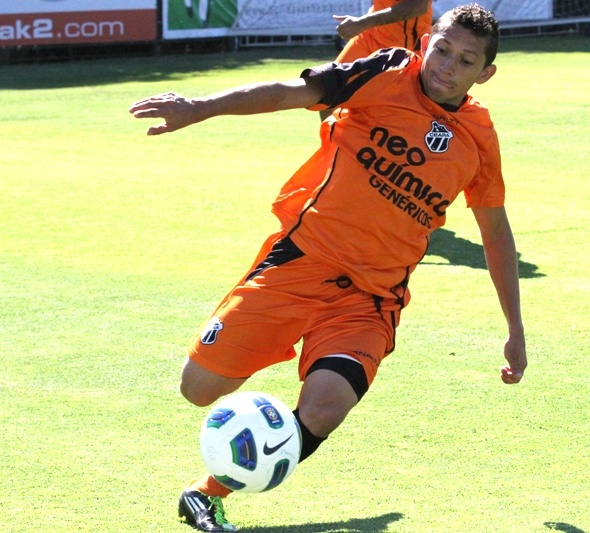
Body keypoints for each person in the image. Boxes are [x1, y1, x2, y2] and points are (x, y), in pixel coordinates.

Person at [129, 4, 527, 531]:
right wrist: (201, 107)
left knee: (324, 410)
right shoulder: (385, 71)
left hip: (370, 298)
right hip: (301, 260)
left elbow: (495, 233)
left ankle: (207, 493)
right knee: (198, 387)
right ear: (425, 43)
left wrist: (515, 328)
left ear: (486, 73)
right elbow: (288, 93)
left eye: (466, 60)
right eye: (443, 49)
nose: (447, 66)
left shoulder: (478, 138)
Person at [320, 0, 432, 120]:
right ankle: (332, 133)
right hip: (371, 35)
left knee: (400, 116)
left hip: (403, 48)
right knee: (327, 93)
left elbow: (418, 6)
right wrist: (362, 23)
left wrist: (362, 23)